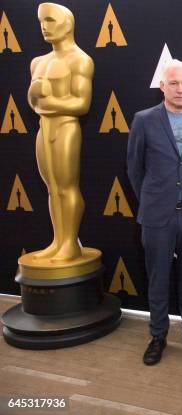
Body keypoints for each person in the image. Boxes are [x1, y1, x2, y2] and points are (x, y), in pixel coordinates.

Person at [127, 59, 182, 365]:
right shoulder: (144, 120)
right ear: (162, 85)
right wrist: (154, 198)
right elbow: (135, 168)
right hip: (156, 215)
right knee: (158, 277)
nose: (180, 89)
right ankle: (158, 335)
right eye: (174, 83)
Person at [27, 3, 93, 262]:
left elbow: (81, 103)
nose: (44, 26)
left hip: (65, 127)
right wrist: (35, 96)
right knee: (52, 188)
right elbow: (34, 104)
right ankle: (58, 241)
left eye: (50, 20)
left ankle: (70, 243)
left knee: (66, 186)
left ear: (67, 24)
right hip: (44, 127)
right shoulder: (37, 62)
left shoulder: (80, 60)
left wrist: (47, 102)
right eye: (42, 21)